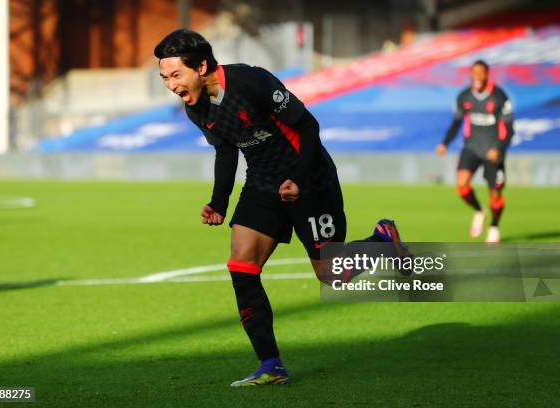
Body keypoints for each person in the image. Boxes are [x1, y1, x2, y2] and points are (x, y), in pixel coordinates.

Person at [155, 29, 407, 386]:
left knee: (331, 274)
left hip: (311, 180)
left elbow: (307, 125)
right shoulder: (194, 107)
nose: (170, 85)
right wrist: (218, 202)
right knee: (241, 266)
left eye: (175, 75)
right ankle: (271, 366)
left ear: (201, 66)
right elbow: (226, 150)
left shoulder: (251, 81)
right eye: (164, 77)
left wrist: (300, 180)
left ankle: (382, 240)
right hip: (262, 183)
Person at [436, 60, 514, 244]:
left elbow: (510, 129)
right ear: (470, 75)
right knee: (461, 185)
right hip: (471, 148)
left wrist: (498, 149)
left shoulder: (499, 96)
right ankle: (479, 211)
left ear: (487, 74)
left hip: (493, 151)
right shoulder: (464, 97)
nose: (477, 76)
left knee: (495, 194)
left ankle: (494, 226)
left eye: (481, 72)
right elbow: (456, 123)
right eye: (474, 72)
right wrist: (444, 143)